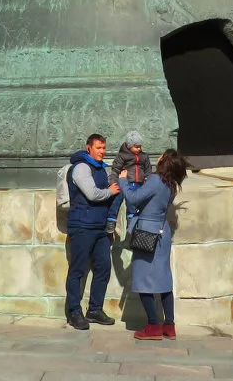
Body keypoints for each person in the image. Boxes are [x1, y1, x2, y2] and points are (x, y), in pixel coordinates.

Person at [120, 148, 188, 340]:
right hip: (162, 231)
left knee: (143, 280)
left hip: (146, 232)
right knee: (164, 279)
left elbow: (133, 199)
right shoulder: (171, 185)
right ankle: (169, 325)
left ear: (164, 161)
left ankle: (153, 325)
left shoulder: (157, 180)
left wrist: (124, 181)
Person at [63, 133, 120, 330]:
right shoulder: (81, 168)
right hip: (82, 226)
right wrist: (111, 192)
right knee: (77, 270)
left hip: (99, 228)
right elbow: (93, 194)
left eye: (104, 148)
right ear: (89, 148)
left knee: (103, 267)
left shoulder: (101, 169)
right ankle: (74, 312)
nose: (102, 152)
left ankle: (95, 309)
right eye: (98, 148)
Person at [107, 130, 152, 235]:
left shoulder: (144, 156)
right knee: (116, 200)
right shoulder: (122, 156)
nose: (139, 149)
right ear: (129, 145)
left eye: (140, 146)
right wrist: (113, 182)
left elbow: (148, 170)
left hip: (138, 183)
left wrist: (148, 179)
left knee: (133, 203)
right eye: (136, 146)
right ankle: (111, 220)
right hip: (124, 182)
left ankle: (131, 220)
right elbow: (115, 170)